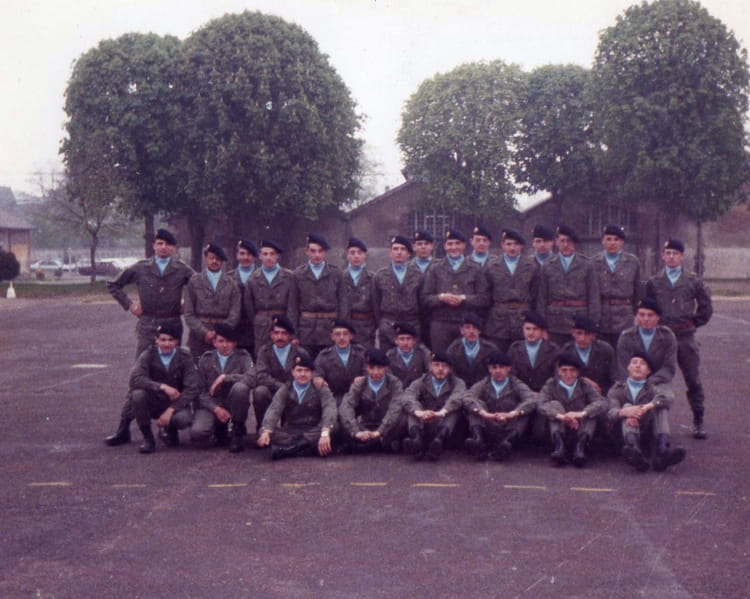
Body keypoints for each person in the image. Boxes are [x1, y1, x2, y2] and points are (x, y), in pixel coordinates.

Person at [645, 239, 713, 439]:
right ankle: (651, 420)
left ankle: (698, 419)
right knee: (655, 378)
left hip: (685, 337)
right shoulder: (654, 282)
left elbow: (706, 306)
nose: (671, 257)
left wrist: (694, 323)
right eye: (668, 253)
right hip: (662, 336)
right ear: (662, 256)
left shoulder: (693, 280)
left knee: (693, 380)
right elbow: (647, 307)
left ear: (682, 256)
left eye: (675, 253)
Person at [105, 320, 197, 454]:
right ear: (156, 340)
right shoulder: (148, 354)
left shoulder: (184, 356)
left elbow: (192, 388)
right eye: (163, 340)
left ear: (177, 341)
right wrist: (162, 387)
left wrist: (171, 410)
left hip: (174, 403)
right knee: (137, 395)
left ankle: (170, 430)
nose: (166, 344)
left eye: (171, 340)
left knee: (184, 419)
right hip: (153, 400)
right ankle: (147, 437)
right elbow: (135, 379)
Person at [107, 228, 193, 358]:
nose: (163, 247)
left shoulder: (181, 269)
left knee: (172, 363)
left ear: (174, 247)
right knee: (143, 362)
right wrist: (130, 305)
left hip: (172, 322)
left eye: (168, 244)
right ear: (153, 245)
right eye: (160, 243)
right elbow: (113, 285)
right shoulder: (141, 268)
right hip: (148, 324)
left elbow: (200, 286)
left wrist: (187, 304)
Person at [607, 352, 686, 472]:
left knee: (660, 407)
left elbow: (667, 397)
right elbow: (610, 413)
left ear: (648, 371)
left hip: (647, 432)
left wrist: (647, 407)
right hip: (623, 435)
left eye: (643, 364)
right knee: (627, 406)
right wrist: (624, 412)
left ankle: (662, 452)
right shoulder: (617, 389)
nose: (638, 366)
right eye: (634, 363)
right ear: (628, 367)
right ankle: (634, 450)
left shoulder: (652, 388)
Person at [256, 354, 337, 460]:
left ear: (312, 373)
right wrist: (266, 431)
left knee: (334, 427)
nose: (303, 374)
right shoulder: (286, 389)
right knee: (265, 430)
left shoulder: (320, 388)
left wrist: (325, 432)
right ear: (293, 372)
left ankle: (287, 450)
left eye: (307, 371)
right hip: (292, 430)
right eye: (299, 370)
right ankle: (306, 447)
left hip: (314, 429)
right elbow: (274, 409)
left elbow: (330, 408)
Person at [421, 229, 490, 353]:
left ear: (464, 245)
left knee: (464, 358)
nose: (454, 247)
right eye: (450, 244)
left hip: (467, 323)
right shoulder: (435, 268)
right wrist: (441, 298)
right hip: (441, 323)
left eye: (457, 243)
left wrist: (464, 299)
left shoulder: (475, 268)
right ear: (444, 246)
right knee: (440, 358)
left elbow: (484, 298)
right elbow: (425, 298)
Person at [462, 350, 538, 461]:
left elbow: (531, 399)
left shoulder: (515, 383)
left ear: (509, 368)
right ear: (489, 369)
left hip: (508, 426)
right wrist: (485, 414)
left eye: (502, 367)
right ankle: (478, 440)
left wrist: (512, 414)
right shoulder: (484, 383)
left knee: (523, 412)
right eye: (494, 367)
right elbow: (467, 397)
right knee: (475, 407)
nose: (498, 371)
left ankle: (507, 444)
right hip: (488, 425)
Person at [191, 323, 254, 453]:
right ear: (214, 342)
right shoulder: (206, 358)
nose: (225, 345)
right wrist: (216, 409)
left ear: (235, 343)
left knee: (241, 389)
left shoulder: (243, 357)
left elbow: (252, 378)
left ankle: (237, 431)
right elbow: (200, 391)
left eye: (229, 341)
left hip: (233, 403)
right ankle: (218, 427)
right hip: (212, 403)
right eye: (221, 341)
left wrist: (226, 378)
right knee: (198, 433)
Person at [538, 352, 607, 467]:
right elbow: (541, 404)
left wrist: (580, 414)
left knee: (591, 412)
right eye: (564, 370)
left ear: (578, 372)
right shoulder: (551, 384)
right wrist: (562, 417)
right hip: (559, 428)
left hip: (579, 428)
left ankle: (580, 448)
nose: (568, 374)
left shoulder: (584, 384)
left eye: (572, 370)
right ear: (558, 371)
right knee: (554, 404)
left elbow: (602, 402)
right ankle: (559, 447)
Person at [537, 224, 601, 347]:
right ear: (556, 242)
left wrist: (593, 324)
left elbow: (594, 297)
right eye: (562, 241)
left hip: (580, 322)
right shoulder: (547, 265)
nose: (566, 245)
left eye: (569, 241)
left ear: (575, 243)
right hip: (554, 323)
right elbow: (542, 298)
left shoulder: (587, 265)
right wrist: (542, 327)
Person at [288, 233, 349, 359]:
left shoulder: (336, 274)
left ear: (325, 252)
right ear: (306, 251)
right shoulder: (298, 275)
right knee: (305, 364)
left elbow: (343, 305)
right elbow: (292, 307)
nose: (317, 255)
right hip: (306, 331)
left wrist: (342, 331)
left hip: (329, 330)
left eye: (320, 251)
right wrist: (294, 334)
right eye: (313, 251)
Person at [400, 352, 467, 461]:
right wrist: (419, 412)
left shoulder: (457, 382)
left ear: (450, 369)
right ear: (430, 367)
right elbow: (408, 396)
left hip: (446, 427)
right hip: (425, 422)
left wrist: (440, 413)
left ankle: (439, 441)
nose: (440, 369)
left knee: (454, 411)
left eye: (444, 366)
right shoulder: (421, 381)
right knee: (412, 409)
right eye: (436, 365)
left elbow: (457, 398)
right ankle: (416, 440)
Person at [338, 348, 407, 453]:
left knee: (403, 418)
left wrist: (379, 432)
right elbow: (347, 406)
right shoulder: (360, 384)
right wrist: (356, 432)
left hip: (387, 426)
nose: (375, 372)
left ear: (385, 368)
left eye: (379, 368)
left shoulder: (395, 383)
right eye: (371, 368)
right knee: (342, 415)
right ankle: (376, 443)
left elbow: (395, 409)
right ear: (366, 368)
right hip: (366, 425)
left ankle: (374, 442)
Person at [183, 242, 242, 362]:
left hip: (224, 338)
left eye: (218, 259)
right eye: (211, 258)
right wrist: (204, 332)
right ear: (205, 259)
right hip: (199, 336)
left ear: (222, 261)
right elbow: (188, 313)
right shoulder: (194, 281)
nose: (214, 261)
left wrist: (219, 333)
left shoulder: (232, 284)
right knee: (198, 368)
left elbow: (235, 313)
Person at [484, 228, 540, 351]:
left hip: (523, 319)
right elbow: (486, 295)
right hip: (498, 321)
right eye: (509, 244)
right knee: (497, 355)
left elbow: (536, 295)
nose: (512, 248)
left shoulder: (531, 266)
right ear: (502, 245)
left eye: (516, 244)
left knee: (520, 355)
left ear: (521, 246)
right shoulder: (491, 266)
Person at [253, 315, 309, 432]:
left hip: (293, 392)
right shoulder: (264, 351)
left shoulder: (300, 352)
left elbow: (307, 375)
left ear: (289, 335)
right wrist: (281, 387)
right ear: (271, 334)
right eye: (276, 333)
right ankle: (263, 427)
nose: (280, 337)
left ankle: (291, 425)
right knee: (260, 392)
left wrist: (289, 389)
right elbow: (261, 376)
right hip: (271, 390)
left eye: (284, 333)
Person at [594, 224, 642, 348]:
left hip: (625, 318)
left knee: (624, 351)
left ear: (622, 242)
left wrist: (636, 314)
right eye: (608, 239)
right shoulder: (593, 262)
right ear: (602, 241)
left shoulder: (633, 262)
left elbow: (638, 291)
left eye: (616, 239)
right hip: (602, 318)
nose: (612, 243)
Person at [372, 235, 423, 352]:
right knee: (387, 359)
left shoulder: (418, 275)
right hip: (388, 326)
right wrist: (381, 324)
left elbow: (422, 303)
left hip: (412, 325)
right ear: (390, 252)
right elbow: (375, 303)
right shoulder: (380, 275)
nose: (399, 252)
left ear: (409, 253)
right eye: (395, 249)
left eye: (403, 249)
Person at [245, 239, 294, 360]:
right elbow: (249, 306)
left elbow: (292, 305)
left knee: (284, 356)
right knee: (262, 356)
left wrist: (290, 326)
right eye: (265, 254)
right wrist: (259, 320)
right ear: (260, 256)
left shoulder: (289, 277)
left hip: (283, 323)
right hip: (261, 326)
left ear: (278, 256)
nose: (268, 257)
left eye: (272, 254)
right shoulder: (253, 278)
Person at [616, 297, 677, 388]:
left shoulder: (667, 336)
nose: (646, 319)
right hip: (631, 384)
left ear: (658, 317)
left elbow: (669, 368)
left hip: (658, 383)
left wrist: (648, 383)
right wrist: (635, 385)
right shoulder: (626, 337)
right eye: (642, 315)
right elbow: (623, 368)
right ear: (637, 316)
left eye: (650, 315)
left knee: (666, 395)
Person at [313, 319, 367, 404]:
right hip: (333, 399)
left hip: (358, 398)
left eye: (345, 334)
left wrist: (364, 378)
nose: (341, 338)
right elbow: (316, 372)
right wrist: (317, 378)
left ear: (351, 336)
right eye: (337, 334)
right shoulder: (324, 355)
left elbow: (370, 372)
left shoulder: (361, 353)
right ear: (332, 337)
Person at [560, 314, 616, 396]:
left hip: (602, 394)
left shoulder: (605, 350)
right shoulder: (566, 350)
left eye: (587, 334)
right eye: (579, 333)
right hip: (575, 395)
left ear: (594, 335)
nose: (582, 338)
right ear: (573, 333)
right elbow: (560, 377)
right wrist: (584, 381)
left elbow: (614, 377)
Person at [508, 311, 559, 392]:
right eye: (527, 329)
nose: (531, 333)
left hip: (546, 392)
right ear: (523, 329)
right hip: (520, 392)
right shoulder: (515, 348)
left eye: (535, 329)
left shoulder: (553, 349)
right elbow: (511, 375)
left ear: (542, 331)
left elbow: (556, 375)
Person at [445, 313, 498, 388]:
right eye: (467, 327)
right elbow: (449, 371)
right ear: (462, 330)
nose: (471, 331)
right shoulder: (454, 348)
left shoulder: (490, 348)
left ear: (480, 331)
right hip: (459, 387)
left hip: (484, 387)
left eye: (475, 328)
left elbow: (495, 371)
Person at [226, 239, 258, 356]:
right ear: (237, 255)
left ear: (255, 256)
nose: (245, 257)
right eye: (242, 253)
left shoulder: (261, 276)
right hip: (235, 329)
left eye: (249, 254)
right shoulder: (228, 278)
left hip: (256, 329)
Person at [343, 237, 376, 348]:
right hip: (346, 326)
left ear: (365, 255)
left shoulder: (373, 278)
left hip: (366, 327)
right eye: (352, 253)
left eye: (360, 253)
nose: (356, 256)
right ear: (347, 255)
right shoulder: (340, 277)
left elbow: (376, 305)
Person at [386, 321, 432, 388]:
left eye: (408, 339)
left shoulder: (422, 353)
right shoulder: (390, 355)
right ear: (396, 341)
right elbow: (388, 378)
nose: (405, 343)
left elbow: (431, 372)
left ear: (414, 341)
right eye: (402, 339)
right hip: (397, 390)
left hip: (418, 389)